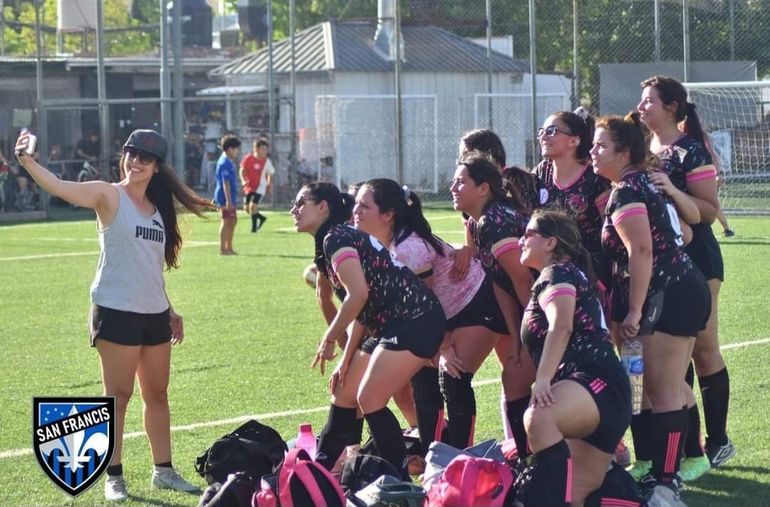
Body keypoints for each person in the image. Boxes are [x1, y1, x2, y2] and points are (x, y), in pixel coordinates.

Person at [14, 128, 210, 502]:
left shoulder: (157, 212)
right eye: (131, 154)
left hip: (154, 314)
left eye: (145, 158)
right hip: (115, 311)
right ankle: (114, 476)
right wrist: (27, 161)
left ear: (156, 168)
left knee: (158, 394)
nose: (135, 162)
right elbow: (59, 186)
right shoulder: (108, 194)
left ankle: (163, 471)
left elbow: (150, 268)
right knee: (117, 397)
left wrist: (170, 310)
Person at [590, 113, 711, 507]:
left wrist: (636, 311)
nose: (593, 150)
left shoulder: (628, 190)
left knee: (663, 391)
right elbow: (680, 233)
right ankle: (668, 461)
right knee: (642, 385)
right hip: (663, 293)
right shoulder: (635, 184)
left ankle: (667, 480)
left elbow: (641, 251)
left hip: (667, 297)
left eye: (601, 144)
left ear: (624, 152)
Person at [293, 182, 445, 476]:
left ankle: (399, 479)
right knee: (344, 391)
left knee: (370, 398)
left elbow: (358, 295)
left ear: (322, 207)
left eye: (301, 203)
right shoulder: (333, 238)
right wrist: (346, 357)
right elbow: (364, 307)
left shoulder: (336, 238)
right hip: (388, 324)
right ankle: (321, 471)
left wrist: (329, 338)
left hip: (415, 320)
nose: (294, 210)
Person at [354, 178, 507, 452]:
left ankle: (460, 459)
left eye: (364, 206)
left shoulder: (407, 249)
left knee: (452, 376)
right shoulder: (381, 244)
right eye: (357, 205)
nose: (356, 211)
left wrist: (444, 346)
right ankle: (432, 456)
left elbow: (427, 306)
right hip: (442, 314)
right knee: (423, 379)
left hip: (477, 303)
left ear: (388, 215)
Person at [638, 75, 734, 477]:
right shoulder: (643, 149)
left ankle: (718, 443)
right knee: (666, 354)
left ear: (672, 108)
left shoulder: (691, 150)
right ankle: (680, 446)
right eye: (642, 101)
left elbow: (709, 211)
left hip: (697, 260)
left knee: (703, 348)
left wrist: (673, 194)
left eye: (649, 101)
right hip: (662, 263)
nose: (642, 106)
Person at [518, 209, 631, 507]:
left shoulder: (557, 273)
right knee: (579, 497)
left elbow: (562, 324)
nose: (521, 240)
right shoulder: (562, 273)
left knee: (539, 417)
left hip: (596, 383)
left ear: (551, 242)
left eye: (528, 234)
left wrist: (542, 380)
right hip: (600, 391)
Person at [449, 152, 537, 461]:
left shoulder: (494, 221)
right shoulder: (478, 224)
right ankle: (529, 458)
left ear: (483, 188)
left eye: (461, 182)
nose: (453, 187)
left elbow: (524, 279)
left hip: (561, 307)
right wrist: (515, 336)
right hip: (538, 308)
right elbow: (501, 284)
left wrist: (534, 334)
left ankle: (597, 456)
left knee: (556, 383)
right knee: (513, 377)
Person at [532, 107, 612, 293]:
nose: (544, 136)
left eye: (552, 131)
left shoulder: (595, 176)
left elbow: (609, 230)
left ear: (574, 140)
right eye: (541, 131)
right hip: (549, 267)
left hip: (591, 269)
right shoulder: (541, 172)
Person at [240, 138, 275, 233]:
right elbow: (242, 170)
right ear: (256, 149)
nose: (265, 151)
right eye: (263, 149)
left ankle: (254, 229)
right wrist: (243, 180)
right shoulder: (248, 158)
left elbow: (271, 174)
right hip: (249, 186)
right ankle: (261, 218)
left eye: (266, 149)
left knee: (253, 206)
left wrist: (269, 185)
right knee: (247, 209)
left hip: (260, 187)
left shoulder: (267, 161)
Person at [214, 134, 241, 255]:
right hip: (224, 197)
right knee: (226, 221)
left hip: (230, 197)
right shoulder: (224, 162)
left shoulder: (229, 161)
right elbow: (225, 183)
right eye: (236, 149)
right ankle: (223, 249)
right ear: (230, 149)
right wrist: (228, 201)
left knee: (233, 220)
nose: (237, 152)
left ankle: (229, 247)